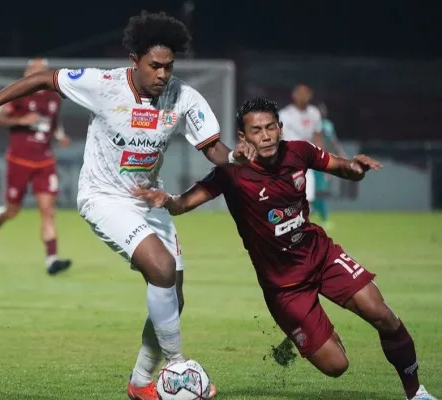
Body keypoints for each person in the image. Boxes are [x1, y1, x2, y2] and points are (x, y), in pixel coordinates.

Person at [0, 11, 255, 400]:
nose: (163, 74)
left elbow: (213, 148)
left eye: (169, 66)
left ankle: (139, 383)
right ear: (134, 61)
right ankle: (178, 366)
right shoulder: (103, 84)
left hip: (148, 199)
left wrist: (237, 158)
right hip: (101, 196)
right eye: (155, 66)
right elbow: (45, 79)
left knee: (173, 296)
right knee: (161, 268)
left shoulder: (184, 96)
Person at [133, 97, 437, 400]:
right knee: (336, 366)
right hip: (284, 287)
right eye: (256, 131)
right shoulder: (232, 173)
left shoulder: (298, 151)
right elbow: (184, 203)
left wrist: (355, 168)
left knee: (382, 314)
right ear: (243, 137)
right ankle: (320, 331)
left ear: (280, 128)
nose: (265, 136)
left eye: (270, 128)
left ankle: (416, 393)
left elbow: (339, 166)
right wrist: (167, 200)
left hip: (321, 256)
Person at [0, 58, 73, 276]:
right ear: (28, 72)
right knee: (12, 210)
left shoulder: (53, 97)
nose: (39, 74)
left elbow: (54, 124)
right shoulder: (18, 93)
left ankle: (52, 260)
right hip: (19, 159)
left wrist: (60, 136)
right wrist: (22, 120)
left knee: (48, 211)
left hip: (45, 159)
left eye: (43, 71)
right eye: (35, 70)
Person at [278, 84, 324, 206]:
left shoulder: (314, 113)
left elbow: (318, 135)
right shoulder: (285, 114)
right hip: (289, 155)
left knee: (308, 189)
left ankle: (304, 215)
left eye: (306, 93)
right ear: (294, 95)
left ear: (310, 95)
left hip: (307, 156)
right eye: (300, 93)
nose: (303, 96)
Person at [313, 102, 347, 228]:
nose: (322, 112)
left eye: (323, 110)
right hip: (309, 161)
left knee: (321, 190)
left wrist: (341, 154)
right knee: (310, 190)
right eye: (319, 110)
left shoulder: (327, 126)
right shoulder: (309, 124)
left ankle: (324, 218)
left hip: (322, 162)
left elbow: (333, 142)